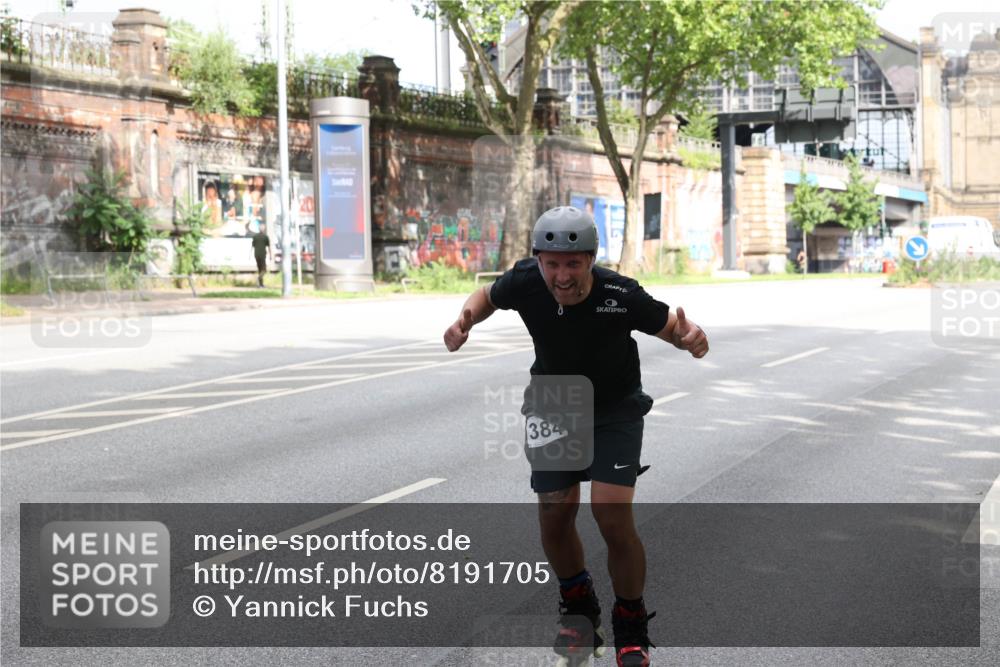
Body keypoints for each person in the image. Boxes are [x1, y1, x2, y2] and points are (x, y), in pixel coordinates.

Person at [443, 206, 709, 666]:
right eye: (552, 263)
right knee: (554, 513)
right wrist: (464, 320)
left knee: (610, 513)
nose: (561, 275)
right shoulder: (526, 280)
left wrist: (692, 338)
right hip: (555, 401)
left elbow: (671, 327)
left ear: (590, 259)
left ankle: (630, 623)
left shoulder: (619, 293)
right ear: (538, 260)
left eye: (573, 263)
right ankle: (580, 609)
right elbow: (486, 295)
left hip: (613, 408)